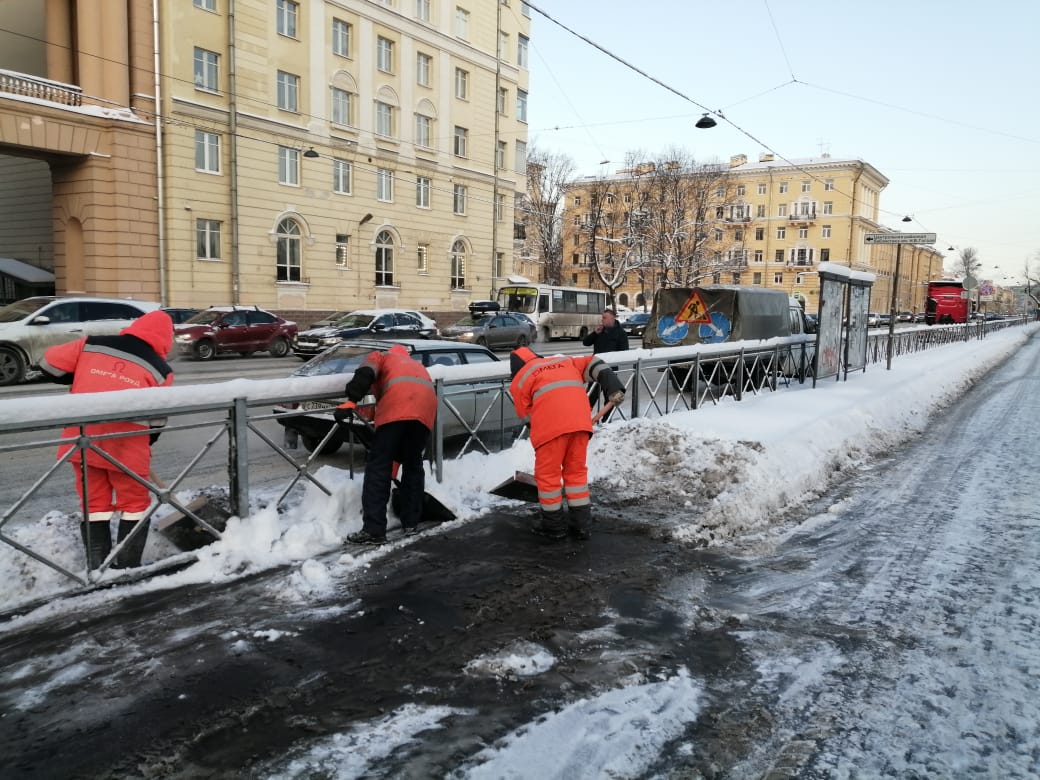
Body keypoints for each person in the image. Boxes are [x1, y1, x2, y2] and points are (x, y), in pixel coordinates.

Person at [40, 310, 175, 570]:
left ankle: (97, 567)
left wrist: (80, 374)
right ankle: (126, 566)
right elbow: (157, 420)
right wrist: (146, 443)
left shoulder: (91, 343)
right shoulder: (161, 370)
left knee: (94, 504)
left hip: (81, 441)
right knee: (134, 505)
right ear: (165, 338)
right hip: (126, 447)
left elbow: (49, 364)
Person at [510, 346, 625, 541]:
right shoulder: (564, 361)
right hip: (580, 424)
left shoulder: (520, 379)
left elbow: (526, 415)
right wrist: (613, 387)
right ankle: (581, 526)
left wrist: (541, 424)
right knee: (576, 473)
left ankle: (554, 527)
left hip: (551, 430)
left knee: (548, 477)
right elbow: (595, 362)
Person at [335, 344, 437, 544]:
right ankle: (411, 523)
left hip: (398, 407)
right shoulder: (417, 366)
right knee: (413, 466)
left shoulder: (381, 357)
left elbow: (365, 373)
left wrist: (351, 401)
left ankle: (374, 530)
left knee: (378, 468)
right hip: (425, 412)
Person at [582, 308, 629, 406]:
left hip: (610, 371)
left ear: (612, 319)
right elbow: (585, 343)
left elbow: (624, 353)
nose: (602, 320)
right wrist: (595, 333)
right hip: (596, 368)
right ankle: (585, 418)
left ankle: (606, 419)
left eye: (604, 318)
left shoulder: (621, 333)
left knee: (610, 399)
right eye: (602, 317)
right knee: (591, 396)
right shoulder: (600, 331)